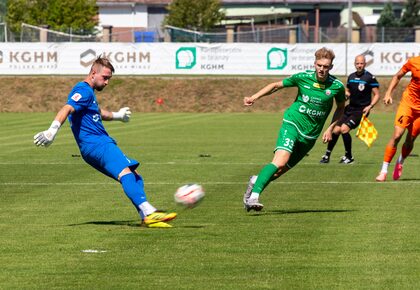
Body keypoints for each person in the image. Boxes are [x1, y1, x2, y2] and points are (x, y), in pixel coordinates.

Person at [33, 56, 177, 227]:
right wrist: (52, 130)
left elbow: (98, 112)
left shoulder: (89, 94)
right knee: (127, 174)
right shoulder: (83, 89)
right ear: (93, 73)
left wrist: (118, 116)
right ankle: (150, 212)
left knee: (135, 177)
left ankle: (146, 218)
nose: (107, 82)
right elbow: (67, 107)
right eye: (105, 78)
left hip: (93, 148)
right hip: (97, 145)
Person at [243, 47, 346, 212]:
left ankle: (256, 181)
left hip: (310, 136)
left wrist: (330, 128)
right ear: (315, 64)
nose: (322, 69)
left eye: (325, 66)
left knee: (278, 172)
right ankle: (254, 196)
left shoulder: (336, 86)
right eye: (319, 65)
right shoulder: (302, 78)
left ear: (331, 67)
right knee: (280, 161)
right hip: (292, 123)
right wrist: (254, 97)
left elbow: (341, 107)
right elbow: (276, 85)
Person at [320, 55, 380, 164]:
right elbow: (348, 91)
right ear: (354, 64)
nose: (359, 65)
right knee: (335, 130)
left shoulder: (370, 78)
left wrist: (370, 106)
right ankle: (327, 155)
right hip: (349, 108)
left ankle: (349, 157)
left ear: (365, 64)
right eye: (357, 63)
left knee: (344, 129)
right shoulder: (351, 77)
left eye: (361, 63)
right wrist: (346, 95)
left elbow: (377, 95)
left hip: (361, 111)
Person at [376, 56, 420, 182]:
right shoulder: (414, 62)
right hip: (408, 104)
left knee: (410, 140)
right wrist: (388, 93)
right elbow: (397, 76)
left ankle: (400, 161)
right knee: (397, 135)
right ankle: (383, 171)